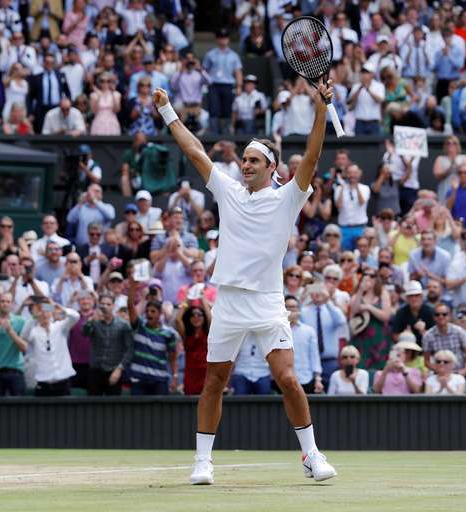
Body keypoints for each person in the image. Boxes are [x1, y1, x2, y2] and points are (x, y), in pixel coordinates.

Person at [153, 80, 337, 484]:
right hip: (231, 302)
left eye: (255, 160)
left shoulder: (290, 196)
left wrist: (321, 108)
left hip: (269, 302)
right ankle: (203, 462)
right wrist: (168, 111)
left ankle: (311, 456)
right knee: (214, 381)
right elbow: (193, 150)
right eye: (245, 160)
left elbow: (313, 153)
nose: (246, 165)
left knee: (288, 379)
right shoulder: (228, 191)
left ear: (272, 168)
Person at [126, 277, 178, 395]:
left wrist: (174, 377)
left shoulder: (168, 334)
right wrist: (133, 286)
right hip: (138, 379)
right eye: (148, 311)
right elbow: (130, 307)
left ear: (160, 314)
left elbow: (172, 358)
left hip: (159, 381)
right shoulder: (139, 326)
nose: (149, 314)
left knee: (160, 413)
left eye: (153, 311)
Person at [23, 300, 79, 396]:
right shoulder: (34, 331)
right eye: (41, 312)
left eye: (47, 311)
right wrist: (34, 316)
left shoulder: (60, 327)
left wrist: (60, 309)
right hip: (43, 383)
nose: (44, 315)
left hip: (63, 382)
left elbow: (75, 316)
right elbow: (24, 335)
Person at [83, 293, 134, 396]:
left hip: (114, 370)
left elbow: (130, 349)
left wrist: (119, 369)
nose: (105, 307)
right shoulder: (94, 321)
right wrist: (91, 320)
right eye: (102, 304)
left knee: (113, 408)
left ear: (113, 306)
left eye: (108, 304)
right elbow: (84, 333)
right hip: (95, 370)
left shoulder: (123, 325)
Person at [285, 295, 322, 394]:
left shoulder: (309, 331)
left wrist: (317, 379)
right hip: (284, 380)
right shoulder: (279, 330)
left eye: (294, 307)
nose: (292, 310)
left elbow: (314, 356)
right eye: (288, 307)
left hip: (306, 379)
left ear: (298, 309)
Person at [422, 303, 466, 375]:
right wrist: (439, 370)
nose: (441, 316)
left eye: (444, 314)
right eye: (437, 314)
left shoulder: (459, 331)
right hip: (439, 374)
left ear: (449, 316)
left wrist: (465, 369)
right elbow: (426, 361)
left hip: (459, 372)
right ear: (434, 317)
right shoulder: (428, 336)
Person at [389, 280, 435, 345]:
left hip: (426, 349)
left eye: (416, 295)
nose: (414, 298)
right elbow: (394, 335)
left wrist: (423, 332)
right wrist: (404, 336)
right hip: (407, 349)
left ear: (421, 297)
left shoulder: (430, 312)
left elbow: (436, 338)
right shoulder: (401, 312)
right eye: (411, 296)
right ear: (407, 298)